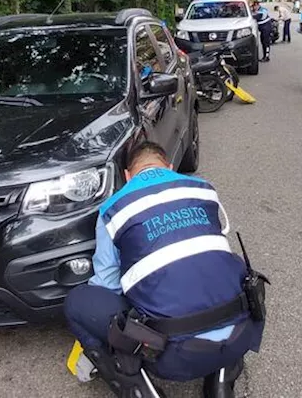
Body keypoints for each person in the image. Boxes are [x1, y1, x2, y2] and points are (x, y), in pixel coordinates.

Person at [64, 143, 266, 398]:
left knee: (78, 302)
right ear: (169, 167)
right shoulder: (202, 189)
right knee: (228, 272)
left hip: (172, 357)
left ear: (127, 175)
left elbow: (108, 284)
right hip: (239, 334)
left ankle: (140, 390)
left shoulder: (114, 209)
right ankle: (222, 382)